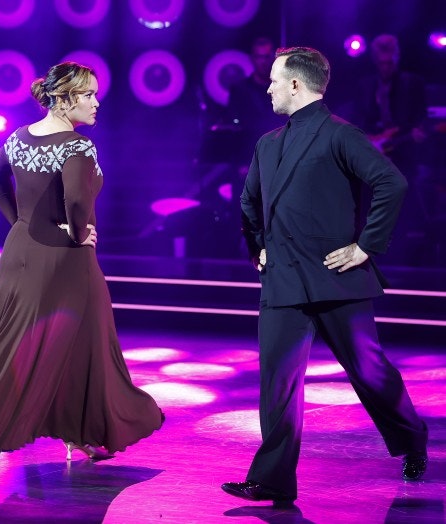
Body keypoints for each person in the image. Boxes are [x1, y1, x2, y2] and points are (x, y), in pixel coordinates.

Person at [0, 61, 164, 481]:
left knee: (7, 344)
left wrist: (20, 223)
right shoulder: (77, 146)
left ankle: (71, 433)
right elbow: (77, 201)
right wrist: (77, 233)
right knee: (74, 345)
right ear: (64, 100)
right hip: (66, 261)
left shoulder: (20, 137)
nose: (97, 103)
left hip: (20, 253)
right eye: (88, 95)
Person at [221, 47, 428, 504]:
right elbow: (249, 200)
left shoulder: (340, 134)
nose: (268, 88)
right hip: (283, 278)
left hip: (336, 276)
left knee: (369, 372)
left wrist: (366, 246)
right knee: (277, 382)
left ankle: (412, 438)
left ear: (296, 84)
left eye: (274, 80)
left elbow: (391, 182)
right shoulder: (267, 143)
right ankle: (273, 480)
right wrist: (257, 245)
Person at [351, 34, 429, 264]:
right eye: (381, 62)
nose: (386, 67)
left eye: (390, 62)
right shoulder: (365, 85)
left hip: (401, 153)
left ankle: (399, 258)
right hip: (373, 154)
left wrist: (417, 132)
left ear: (397, 58)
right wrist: (370, 139)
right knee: (367, 204)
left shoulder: (411, 83)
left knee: (399, 205)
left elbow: (421, 118)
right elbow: (357, 119)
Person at [226, 37, 287, 162]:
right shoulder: (239, 90)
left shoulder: (283, 88)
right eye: (259, 57)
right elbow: (234, 125)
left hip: (279, 155)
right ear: (252, 58)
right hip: (248, 156)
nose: (263, 62)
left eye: (267, 57)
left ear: (273, 58)